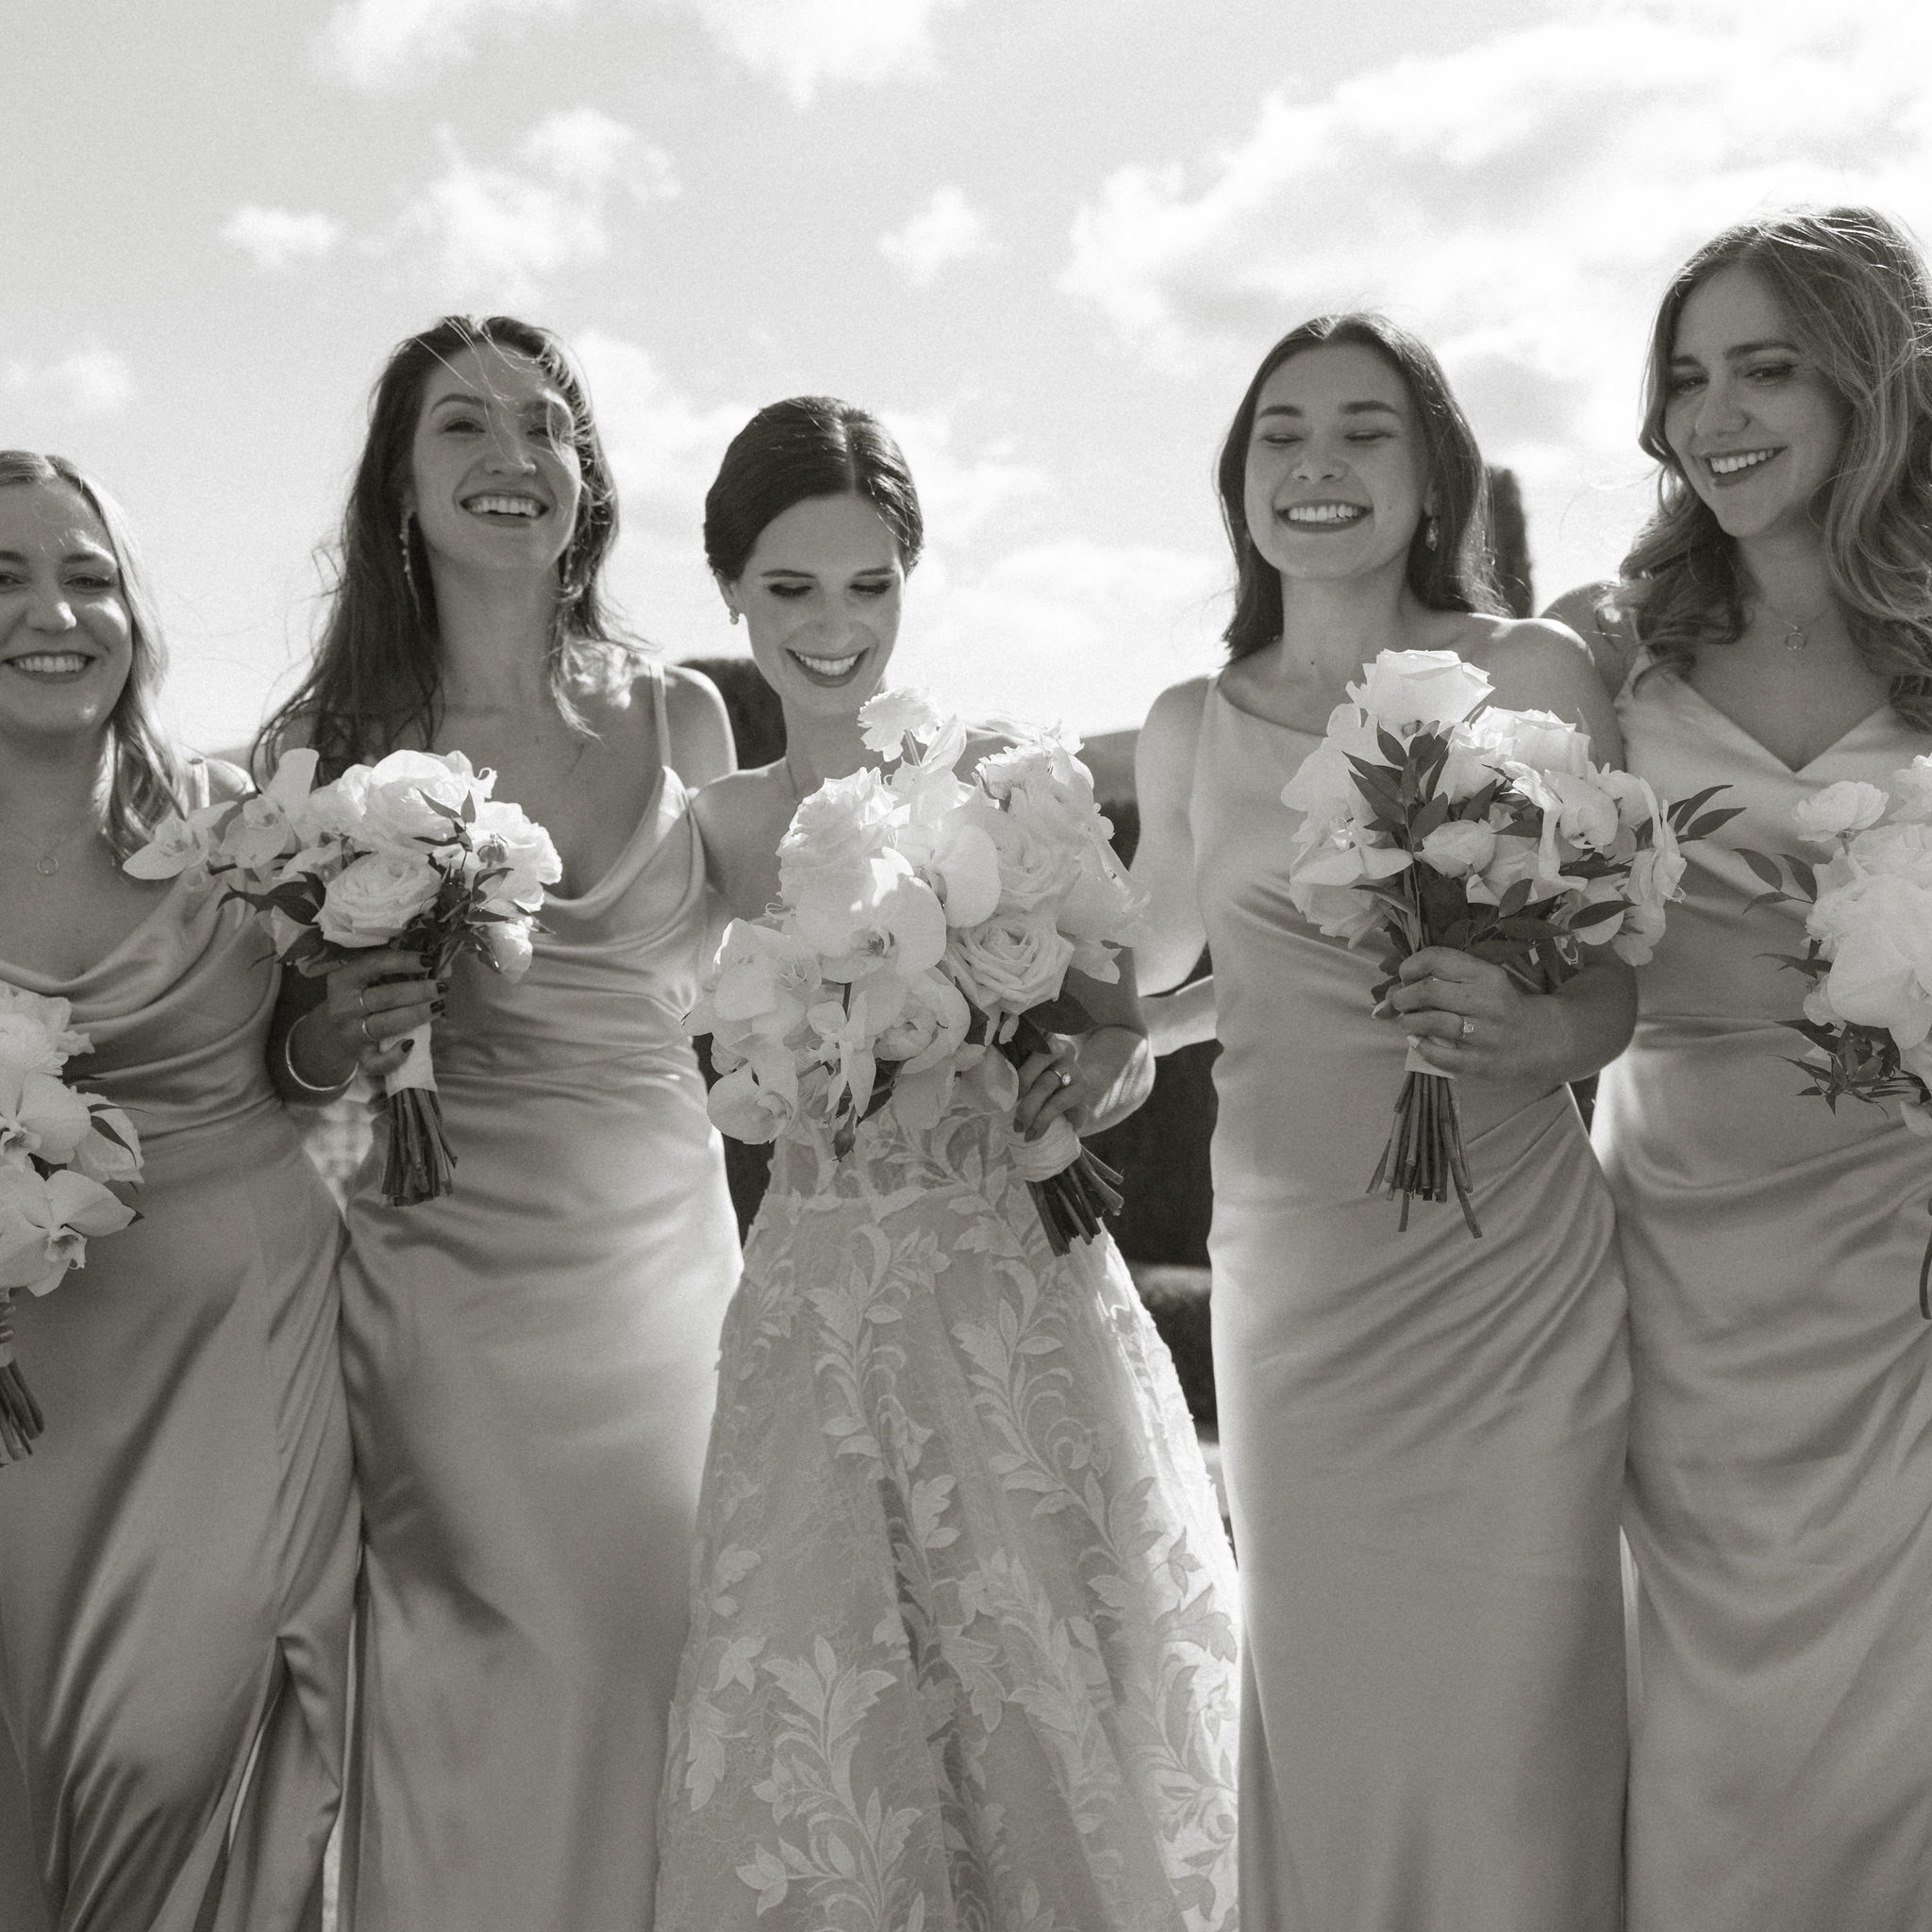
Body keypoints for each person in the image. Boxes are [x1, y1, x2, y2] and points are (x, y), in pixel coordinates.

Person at [655, 396, 1240, 1931]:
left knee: (1058, 1705)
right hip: (814, 1312)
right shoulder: (715, 829)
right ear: (731, 591)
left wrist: (1083, 1080)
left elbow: (1121, 1035)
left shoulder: (1008, 775)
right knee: (830, 1716)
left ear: (912, 579)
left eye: (869, 584)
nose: (832, 627)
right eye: (789, 589)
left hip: (1010, 1303)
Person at [1132, 315, 1633, 1931]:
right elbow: (1170, 971)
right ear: (1239, 481)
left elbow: (1624, 988)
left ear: (1433, 481)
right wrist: (957, 938)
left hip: (1508, 1280)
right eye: (1281, 432)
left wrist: (1538, 1028)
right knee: (1335, 1708)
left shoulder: (1535, 672)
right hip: (1301, 1290)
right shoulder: (1189, 725)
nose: (1317, 464)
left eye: (1364, 431)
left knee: (1513, 1719)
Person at [258, 314, 741, 1931]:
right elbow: (286, 1089)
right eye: (463, 427)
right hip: (444, 1280)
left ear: (586, 479)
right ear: (401, 485)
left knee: (688, 1654)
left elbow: (763, 1001)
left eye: (546, 425)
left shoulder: (680, 713)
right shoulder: (318, 753)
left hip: (675, 1274)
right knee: (508, 1655)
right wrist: (338, 1036)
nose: (511, 457)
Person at [1556, 206, 1932, 1932]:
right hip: (1680, 1260)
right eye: (1689, 377)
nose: (1716, 415)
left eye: (1767, 368)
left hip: (1903, 1276)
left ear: (1874, 383)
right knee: (1700, 1723)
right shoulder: (1615, 649)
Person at [0, 451, 358, 1930]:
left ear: (136, 612)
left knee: (172, 1757)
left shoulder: (232, 826)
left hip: (242, 1348)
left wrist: (361, 1012)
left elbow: (309, 1068)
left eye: (87, 576)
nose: (53, 612)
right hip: (28, 1392)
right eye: (6, 578)